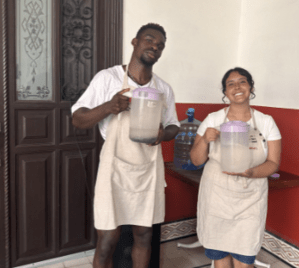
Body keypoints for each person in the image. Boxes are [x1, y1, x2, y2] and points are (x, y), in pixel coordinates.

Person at [71, 23, 180, 268]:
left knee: (144, 235)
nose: (155, 46)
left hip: (148, 169)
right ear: (134, 41)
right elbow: (78, 119)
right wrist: (108, 107)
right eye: (149, 40)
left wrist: (163, 134)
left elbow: (174, 125)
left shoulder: (163, 89)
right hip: (115, 170)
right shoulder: (107, 78)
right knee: (108, 237)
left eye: (160, 45)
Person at [190, 67, 281, 268]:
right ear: (225, 92)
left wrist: (251, 172)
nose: (237, 87)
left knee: (244, 258)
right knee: (220, 258)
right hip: (216, 198)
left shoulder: (266, 122)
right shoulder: (213, 119)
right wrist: (205, 139)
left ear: (251, 87)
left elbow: (273, 163)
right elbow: (196, 160)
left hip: (251, 200)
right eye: (230, 84)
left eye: (242, 82)